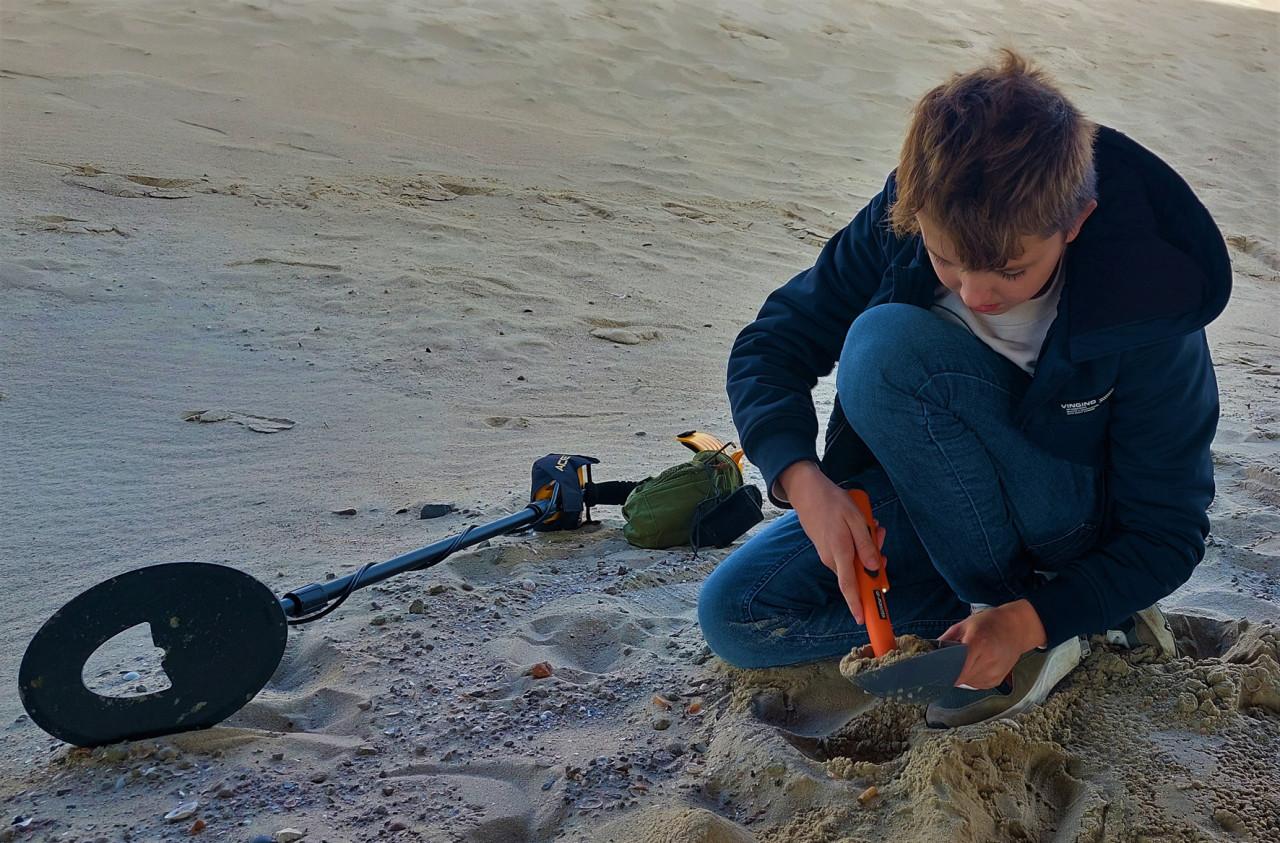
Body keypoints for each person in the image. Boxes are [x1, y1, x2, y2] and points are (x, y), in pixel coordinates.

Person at [697, 49, 1231, 728]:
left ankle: (1030, 618)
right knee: (738, 615)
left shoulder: (1149, 300)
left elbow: (1170, 530)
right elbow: (774, 341)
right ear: (913, 208)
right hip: (936, 498)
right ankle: (1053, 624)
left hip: (1067, 522)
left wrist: (1034, 613)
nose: (977, 294)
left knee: (886, 349)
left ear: (1075, 222)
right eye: (946, 260)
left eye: (1010, 271)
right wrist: (803, 482)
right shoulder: (907, 211)